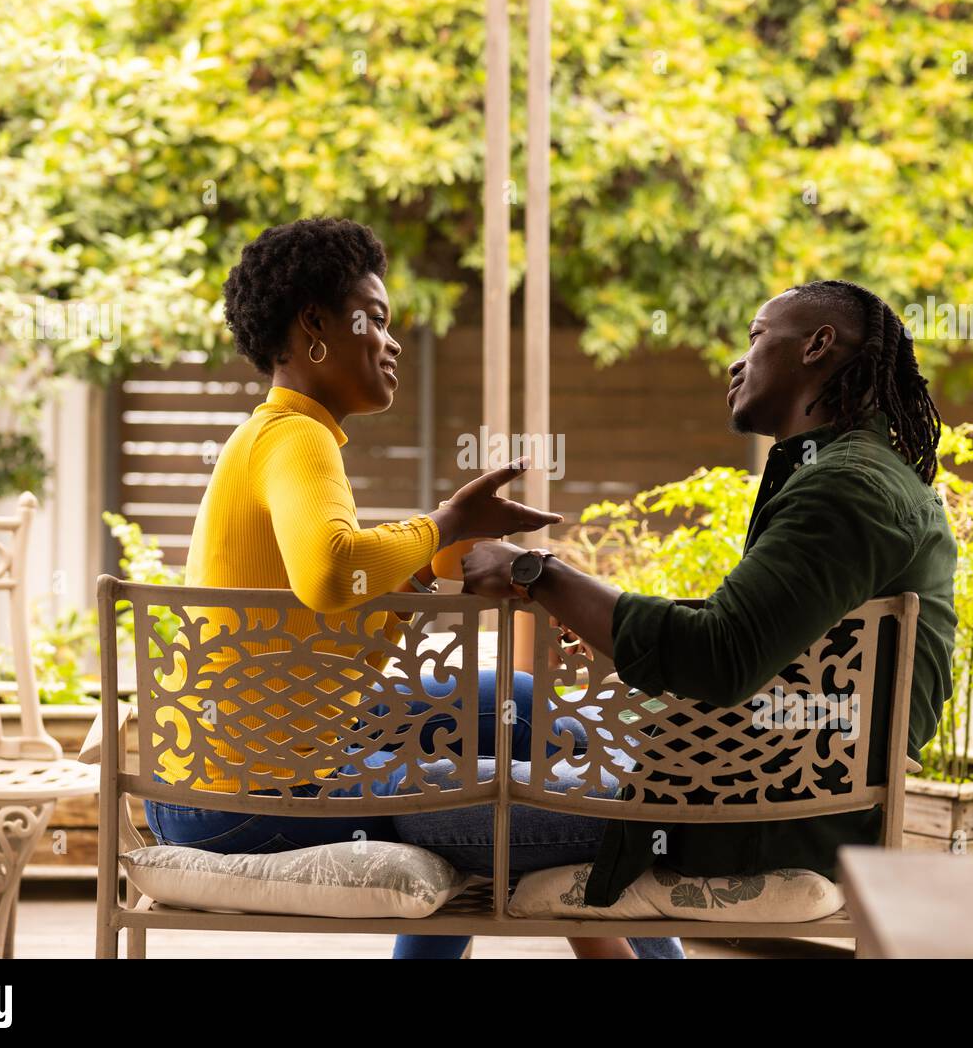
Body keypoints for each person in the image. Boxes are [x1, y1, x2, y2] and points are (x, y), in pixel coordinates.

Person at [142, 217, 681, 958]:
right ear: (314, 327)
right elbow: (332, 575)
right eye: (378, 322)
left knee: (525, 708)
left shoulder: (286, 436)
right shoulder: (295, 437)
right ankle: (626, 841)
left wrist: (430, 564)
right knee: (530, 784)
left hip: (257, 757)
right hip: (251, 792)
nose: (393, 343)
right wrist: (442, 521)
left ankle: (606, 869)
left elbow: (335, 643)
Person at [410, 279, 958, 912]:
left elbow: (720, 656)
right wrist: (585, 609)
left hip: (758, 812)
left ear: (818, 346)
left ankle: (280, 814)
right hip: (757, 771)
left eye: (756, 338)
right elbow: (756, 634)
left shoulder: (844, 490)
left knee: (427, 795)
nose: (737, 361)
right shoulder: (855, 474)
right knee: (502, 711)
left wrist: (538, 573)